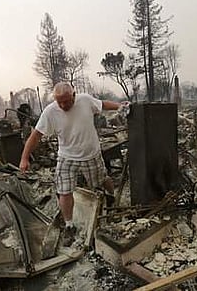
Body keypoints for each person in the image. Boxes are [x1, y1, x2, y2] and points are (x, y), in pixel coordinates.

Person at [19, 82, 125, 246]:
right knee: (64, 191)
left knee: (102, 180)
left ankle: (111, 197)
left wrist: (120, 107)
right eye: (59, 101)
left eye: (66, 101)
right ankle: (69, 225)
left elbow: (102, 104)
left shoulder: (85, 101)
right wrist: (24, 158)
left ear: (74, 95)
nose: (62, 105)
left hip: (91, 154)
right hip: (66, 157)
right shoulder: (50, 112)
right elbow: (35, 136)